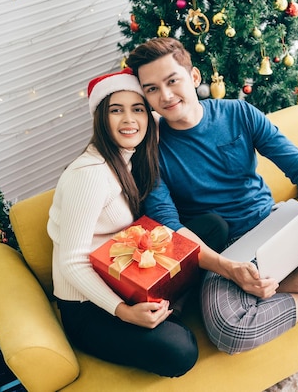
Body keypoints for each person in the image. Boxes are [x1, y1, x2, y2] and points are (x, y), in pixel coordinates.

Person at [126, 37, 298, 355]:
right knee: (229, 331)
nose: (165, 96)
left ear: (194, 77)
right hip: (226, 254)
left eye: (172, 81)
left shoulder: (238, 113)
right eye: (152, 89)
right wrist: (230, 270)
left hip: (277, 224)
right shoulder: (149, 152)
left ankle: (272, 286)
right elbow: (169, 226)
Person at [47, 68, 198, 377]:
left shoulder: (130, 159)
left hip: (127, 277)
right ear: (102, 118)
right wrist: (125, 312)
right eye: (117, 110)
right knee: (181, 352)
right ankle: (175, 312)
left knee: (210, 228)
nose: (129, 119)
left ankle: (171, 308)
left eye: (138, 109)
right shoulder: (88, 174)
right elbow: (71, 262)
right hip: (89, 306)